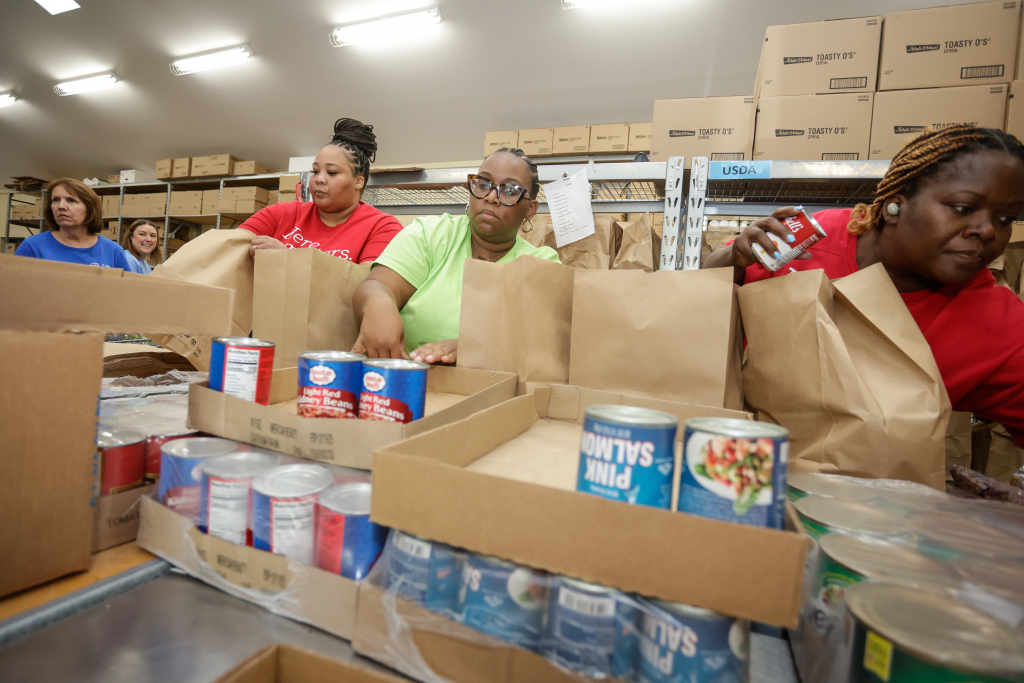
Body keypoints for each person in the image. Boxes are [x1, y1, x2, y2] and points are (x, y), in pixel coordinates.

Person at [703, 125, 1024, 446]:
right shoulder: (809, 241)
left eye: (1006, 218)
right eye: (963, 208)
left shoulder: (999, 328)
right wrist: (734, 256)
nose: (987, 230)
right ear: (894, 206)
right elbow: (704, 294)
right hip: (741, 460)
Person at [352, 147, 560, 364]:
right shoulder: (430, 234)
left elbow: (541, 341)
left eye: (510, 190)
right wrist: (378, 304)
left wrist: (476, 347)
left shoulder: (541, 264)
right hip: (406, 382)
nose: (490, 197)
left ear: (530, 209)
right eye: (483, 184)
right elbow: (376, 285)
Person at [238, 118, 402, 263]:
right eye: (315, 171)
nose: (319, 179)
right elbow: (231, 245)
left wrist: (289, 260)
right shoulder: (279, 214)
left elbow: (369, 285)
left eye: (332, 173)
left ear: (358, 182)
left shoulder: (382, 227)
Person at [15, 178, 130, 269]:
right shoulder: (32, 246)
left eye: (71, 200)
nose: (61, 206)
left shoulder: (112, 250)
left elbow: (127, 292)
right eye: (56, 200)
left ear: (89, 208)